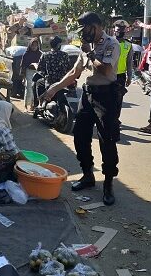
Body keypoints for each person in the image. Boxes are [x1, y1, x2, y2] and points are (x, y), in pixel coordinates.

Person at [43, 12, 120, 206]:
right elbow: (74, 72)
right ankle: (88, 175)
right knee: (80, 136)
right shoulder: (86, 48)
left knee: (107, 140)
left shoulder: (111, 44)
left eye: (86, 29)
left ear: (96, 26)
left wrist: (91, 54)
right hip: (87, 95)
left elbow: (107, 70)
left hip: (106, 96)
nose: (83, 33)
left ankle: (109, 183)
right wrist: (55, 88)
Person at [33, 36, 71, 106]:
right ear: (59, 45)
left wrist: (35, 65)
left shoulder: (45, 55)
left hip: (49, 82)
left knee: (38, 82)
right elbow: (69, 68)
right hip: (63, 82)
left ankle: (40, 103)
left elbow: (39, 68)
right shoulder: (65, 55)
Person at [113, 20, 133, 120]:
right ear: (114, 31)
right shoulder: (109, 42)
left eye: (121, 31)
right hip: (108, 74)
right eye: (117, 31)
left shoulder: (128, 45)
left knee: (118, 99)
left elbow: (129, 62)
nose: (119, 33)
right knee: (106, 98)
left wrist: (130, 77)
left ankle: (115, 119)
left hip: (120, 76)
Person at [20, 38, 42, 111]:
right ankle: (26, 105)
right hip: (28, 72)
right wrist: (23, 77)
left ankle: (33, 105)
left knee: (36, 89)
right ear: (30, 45)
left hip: (37, 72)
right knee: (29, 89)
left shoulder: (40, 54)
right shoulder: (26, 54)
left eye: (36, 46)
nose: (34, 47)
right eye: (33, 45)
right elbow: (23, 66)